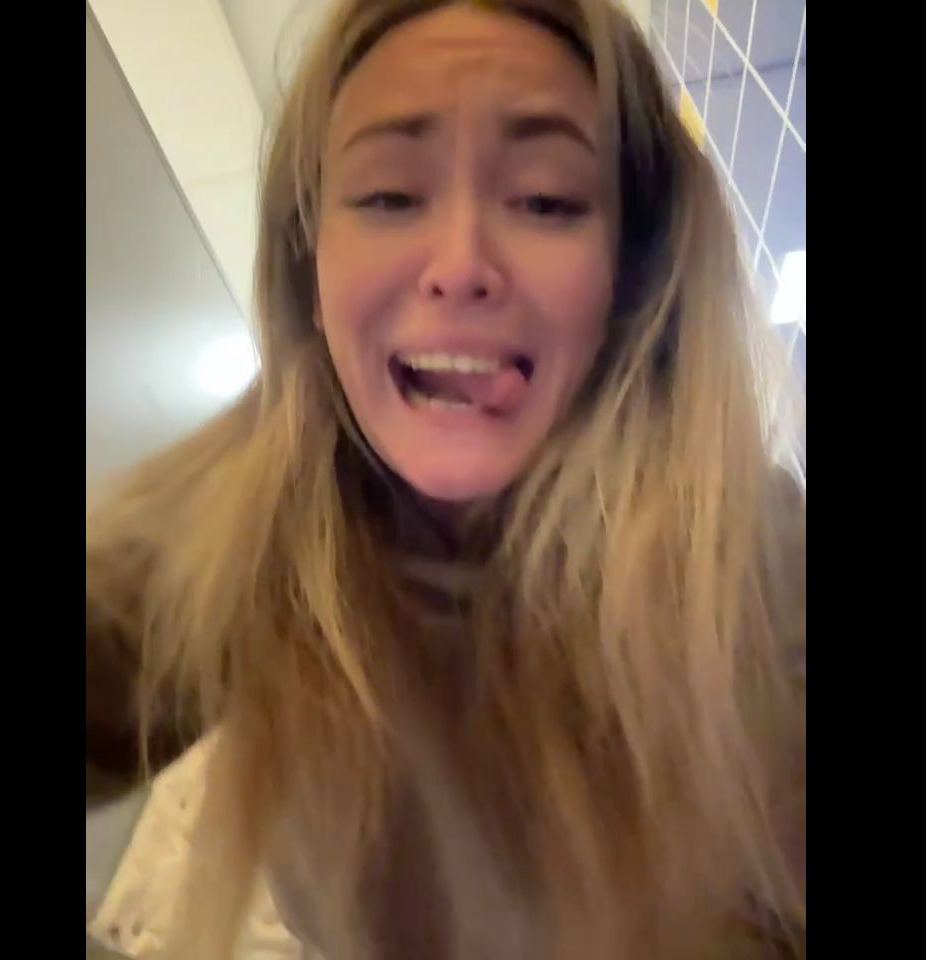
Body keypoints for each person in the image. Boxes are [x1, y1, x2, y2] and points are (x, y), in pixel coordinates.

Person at [86, 1, 806, 957]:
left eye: (546, 200)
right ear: (309, 264)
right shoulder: (225, 523)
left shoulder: (762, 569)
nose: (460, 266)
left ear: (631, 275)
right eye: (389, 196)